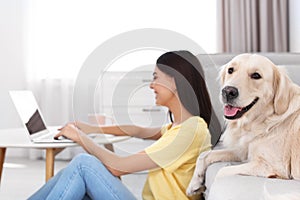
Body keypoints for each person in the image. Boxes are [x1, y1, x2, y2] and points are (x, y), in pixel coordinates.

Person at [29, 50, 221, 200]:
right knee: (72, 178)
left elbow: (117, 167)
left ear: (176, 81)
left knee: (83, 165)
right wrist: (93, 128)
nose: (151, 85)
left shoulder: (190, 131)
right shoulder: (184, 126)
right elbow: (138, 130)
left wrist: (80, 137)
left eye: (155, 77)